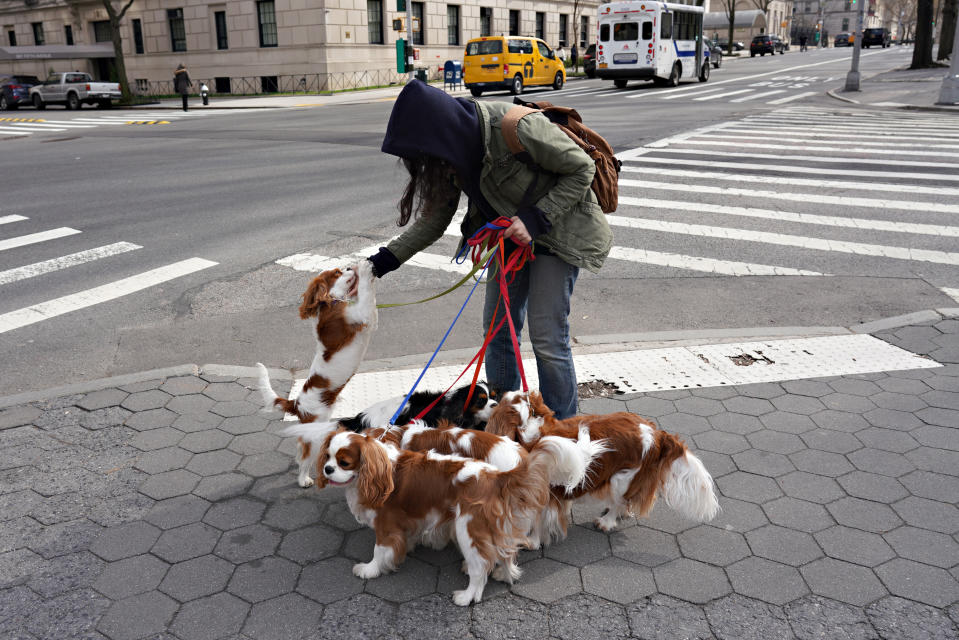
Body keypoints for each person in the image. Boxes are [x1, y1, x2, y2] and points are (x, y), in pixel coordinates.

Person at [366, 80, 612, 420]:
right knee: (497, 333)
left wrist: (536, 217)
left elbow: (581, 168)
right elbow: (433, 222)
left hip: (561, 233)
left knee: (547, 337)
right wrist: (375, 266)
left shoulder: (515, 128)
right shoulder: (452, 156)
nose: (427, 167)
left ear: (440, 135)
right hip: (510, 238)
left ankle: (564, 433)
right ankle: (505, 425)